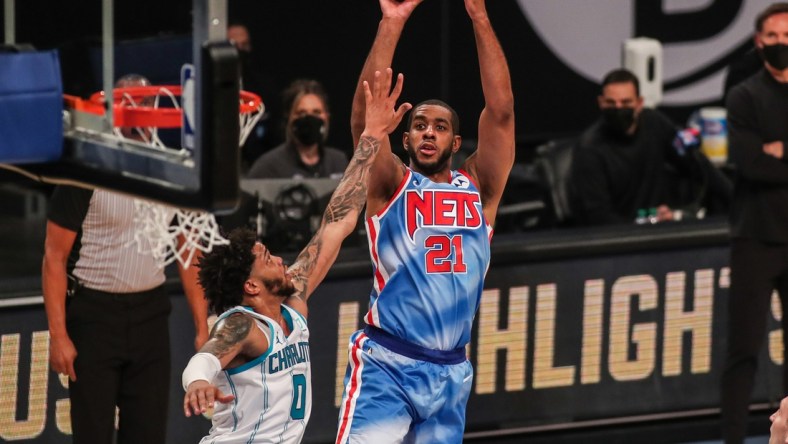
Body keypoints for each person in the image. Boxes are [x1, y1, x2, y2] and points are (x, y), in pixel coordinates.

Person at [182, 68, 411, 443]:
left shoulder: (293, 306)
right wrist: (198, 383)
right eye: (267, 257)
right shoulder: (243, 325)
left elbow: (336, 223)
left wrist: (371, 136)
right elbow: (205, 357)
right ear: (251, 284)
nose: (279, 260)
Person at [335, 0, 514, 442]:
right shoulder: (390, 184)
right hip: (387, 363)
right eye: (418, 125)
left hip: (451, 371)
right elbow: (364, 120)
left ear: (455, 141)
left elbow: (502, 111)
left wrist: (479, 17)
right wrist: (391, 23)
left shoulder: (480, 187)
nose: (427, 132)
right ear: (405, 135)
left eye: (438, 126)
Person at [42, 196, 209, 442]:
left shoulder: (171, 176)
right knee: (92, 433)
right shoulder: (84, 177)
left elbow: (190, 249)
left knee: (148, 433)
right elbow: (54, 256)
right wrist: (58, 336)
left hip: (151, 315)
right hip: (94, 316)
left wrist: (201, 327)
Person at [721, 3, 788, 443]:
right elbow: (748, 164)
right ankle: (732, 440)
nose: (782, 43)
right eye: (774, 36)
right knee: (743, 349)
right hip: (756, 239)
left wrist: (778, 153)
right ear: (757, 41)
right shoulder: (744, 95)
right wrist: (765, 156)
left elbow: (767, 163)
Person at [570, 68, 728, 225]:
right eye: (611, 103)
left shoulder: (654, 123)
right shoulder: (589, 149)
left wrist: (735, 200)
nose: (618, 108)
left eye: (626, 102)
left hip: (660, 227)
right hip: (618, 237)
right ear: (601, 103)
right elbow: (598, 218)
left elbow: (696, 164)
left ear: (639, 103)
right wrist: (639, 228)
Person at [247, 78, 348, 179]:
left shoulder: (339, 162)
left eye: (316, 112)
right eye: (301, 113)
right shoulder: (269, 166)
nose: (309, 119)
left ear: (327, 116)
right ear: (289, 118)